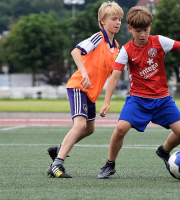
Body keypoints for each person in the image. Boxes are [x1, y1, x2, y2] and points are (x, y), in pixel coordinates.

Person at [97, 6, 180, 179]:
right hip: (138, 100)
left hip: (162, 100)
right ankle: (110, 164)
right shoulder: (127, 50)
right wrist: (107, 101)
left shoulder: (159, 41)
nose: (143, 34)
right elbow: (114, 77)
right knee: (120, 129)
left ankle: (163, 150)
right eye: (138, 31)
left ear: (150, 27)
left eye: (146, 29)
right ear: (130, 29)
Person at [46, 1, 124, 178]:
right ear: (103, 21)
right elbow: (75, 52)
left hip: (91, 93)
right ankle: (57, 164)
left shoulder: (116, 47)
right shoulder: (98, 38)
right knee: (80, 125)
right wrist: (84, 73)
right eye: (114, 18)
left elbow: (113, 74)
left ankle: (60, 148)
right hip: (78, 86)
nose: (118, 22)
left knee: (89, 129)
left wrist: (107, 101)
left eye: (120, 19)